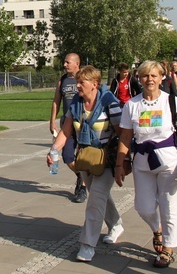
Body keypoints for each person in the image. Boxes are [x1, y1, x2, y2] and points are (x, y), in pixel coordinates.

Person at [114, 60, 177, 269]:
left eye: (153, 75)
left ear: (161, 77)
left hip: (169, 162)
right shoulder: (132, 105)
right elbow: (125, 137)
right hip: (142, 161)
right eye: (145, 76)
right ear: (139, 79)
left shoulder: (171, 102)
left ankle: (167, 249)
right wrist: (120, 165)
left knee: (170, 207)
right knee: (144, 207)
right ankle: (157, 229)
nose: (149, 79)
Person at [47, 66, 124, 262]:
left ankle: (87, 245)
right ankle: (116, 225)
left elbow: (124, 134)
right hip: (86, 159)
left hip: (106, 159)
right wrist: (54, 150)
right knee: (100, 196)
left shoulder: (110, 104)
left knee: (95, 200)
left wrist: (123, 162)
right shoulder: (76, 104)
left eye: (82, 83)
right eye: (77, 82)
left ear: (95, 84)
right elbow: (66, 132)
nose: (77, 86)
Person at [49, 53, 88, 203]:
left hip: (83, 122)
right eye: (65, 62)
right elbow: (56, 101)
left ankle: (82, 188)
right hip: (67, 123)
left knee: (83, 155)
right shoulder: (63, 80)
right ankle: (80, 175)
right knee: (67, 156)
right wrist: (52, 120)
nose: (64, 65)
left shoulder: (84, 78)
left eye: (67, 62)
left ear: (77, 63)